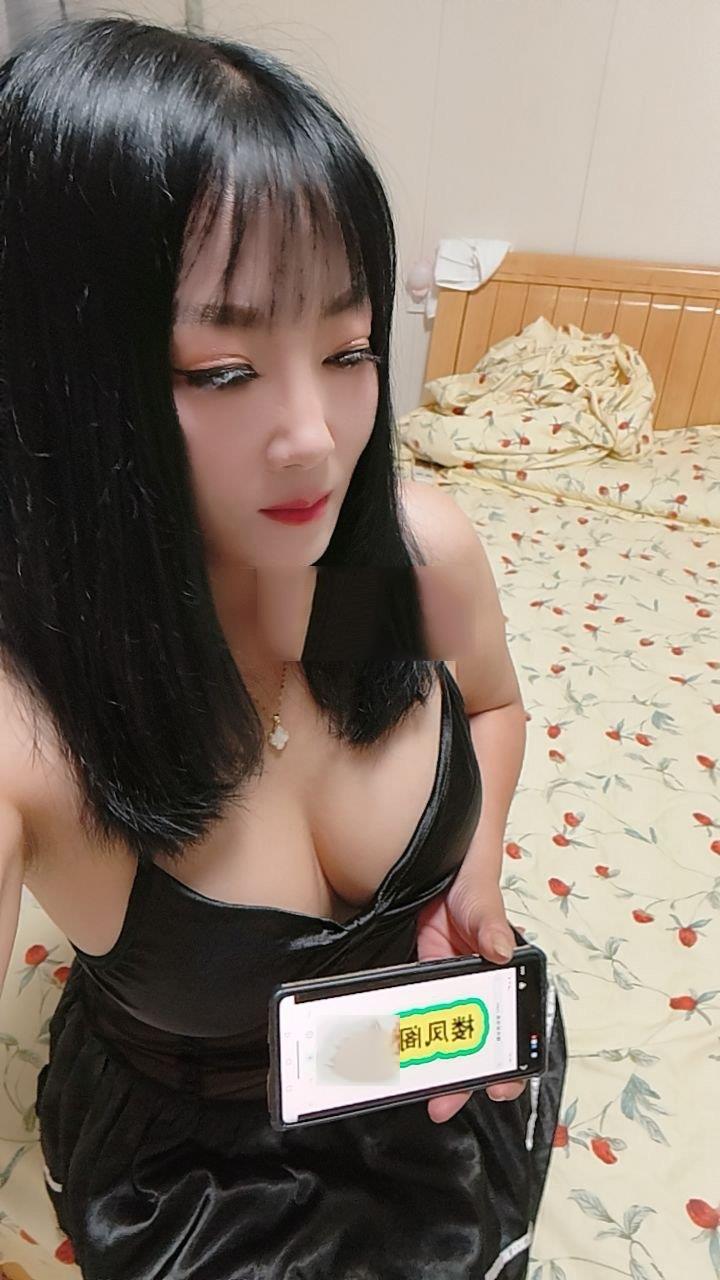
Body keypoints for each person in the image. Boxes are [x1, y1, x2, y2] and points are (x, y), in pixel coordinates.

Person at [0, 15, 566, 1279]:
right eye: (222, 367)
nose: (317, 435)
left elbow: (491, 705)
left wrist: (474, 868)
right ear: (57, 381)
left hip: (429, 1054)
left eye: (349, 348)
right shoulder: (35, 731)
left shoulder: (382, 573)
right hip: (200, 1173)